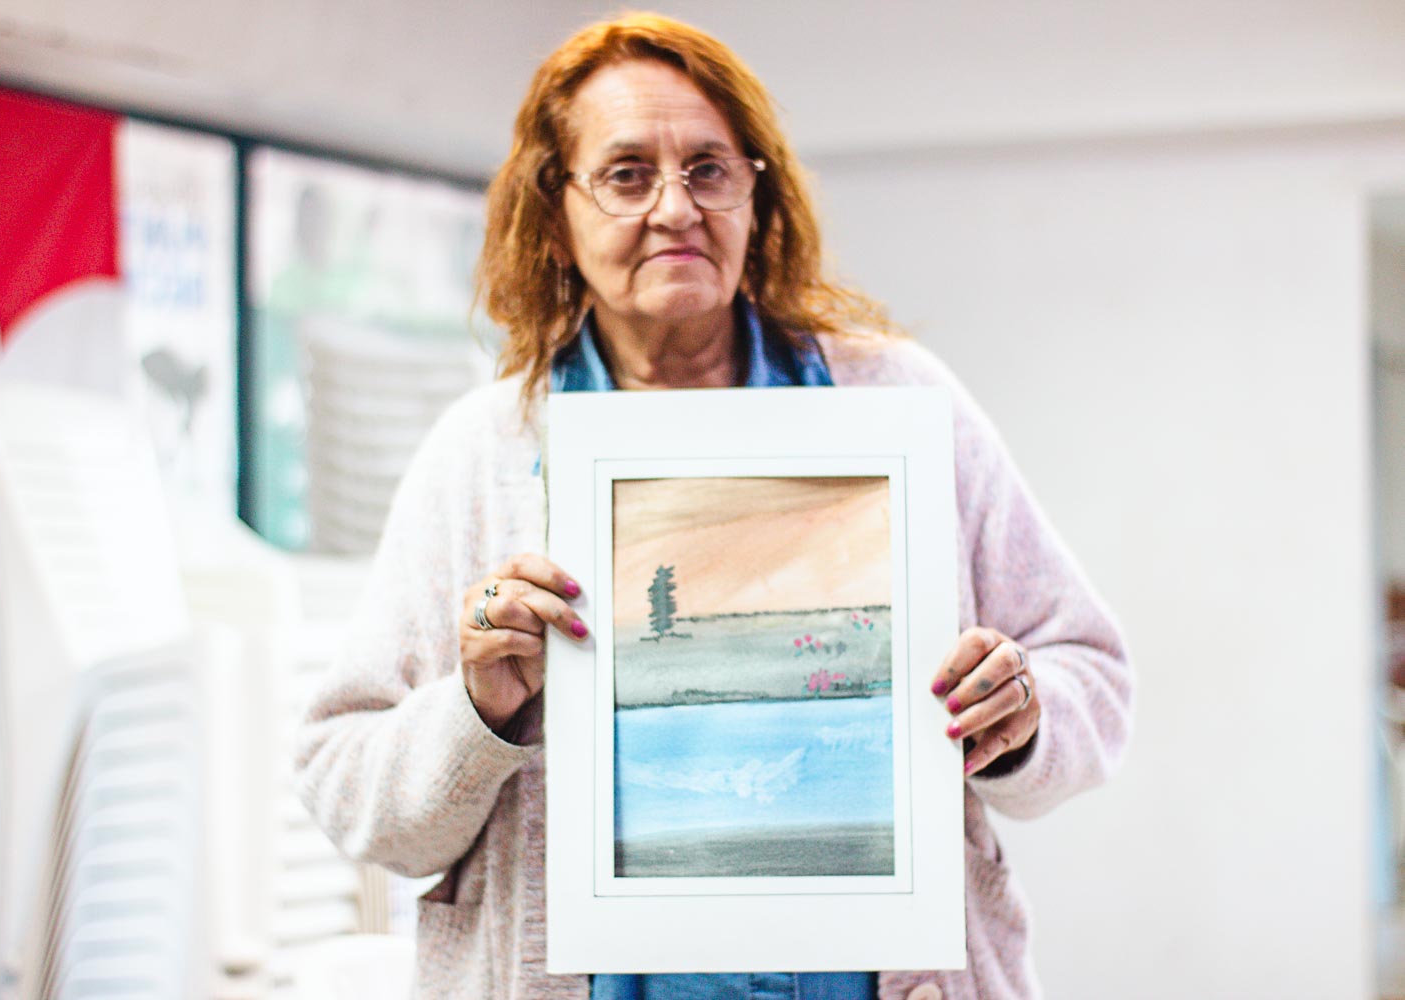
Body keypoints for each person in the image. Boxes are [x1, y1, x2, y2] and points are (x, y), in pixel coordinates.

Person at [296, 12, 1133, 1000]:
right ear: (556, 217)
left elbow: (1092, 674)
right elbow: (346, 784)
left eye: (708, 169)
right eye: (626, 174)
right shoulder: (482, 453)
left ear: (756, 198)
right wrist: (477, 710)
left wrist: (1020, 714)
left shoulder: (900, 407)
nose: (675, 208)